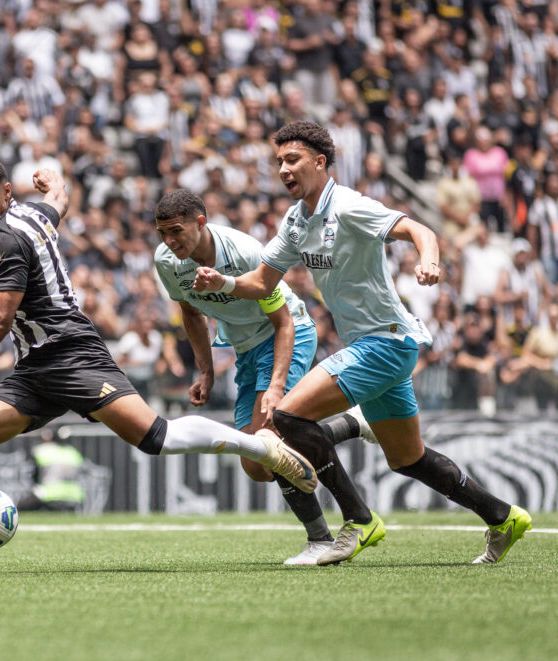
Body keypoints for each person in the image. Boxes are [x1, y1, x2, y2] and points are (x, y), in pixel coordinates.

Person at [0, 157, 317, 566]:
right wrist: (55, 181)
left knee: (157, 437)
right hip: (35, 368)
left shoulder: (3, 241)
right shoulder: (32, 215)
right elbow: (59, 201)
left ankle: (260, 447)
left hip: (72, 356)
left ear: (5, 193)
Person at [193, 121, 532, 565]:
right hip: (375, 346)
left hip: (386, 342)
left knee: (290, 414)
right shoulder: (297, 221)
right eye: (278, 162)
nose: (283, 169)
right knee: (408, 458)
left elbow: (420, 231)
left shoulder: (349, 206)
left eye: (292, 159)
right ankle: (503, 517)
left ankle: (359, 520)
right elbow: (261, 282)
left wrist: (428, 261)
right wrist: (223, 281)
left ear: (320, 161)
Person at [154, 188, 377, 565]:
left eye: (176, 231)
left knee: (270, 440)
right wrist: (205, 371)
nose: (170, 241)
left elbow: (284, 322)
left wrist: (276, 386)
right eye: (163, 234)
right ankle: (350, 424)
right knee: (256, 464)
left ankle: (320, 540)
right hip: (244, 349)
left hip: (286, 336)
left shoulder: (244, 253)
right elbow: (191, 314)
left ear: (201, 223)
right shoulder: (167, 262)